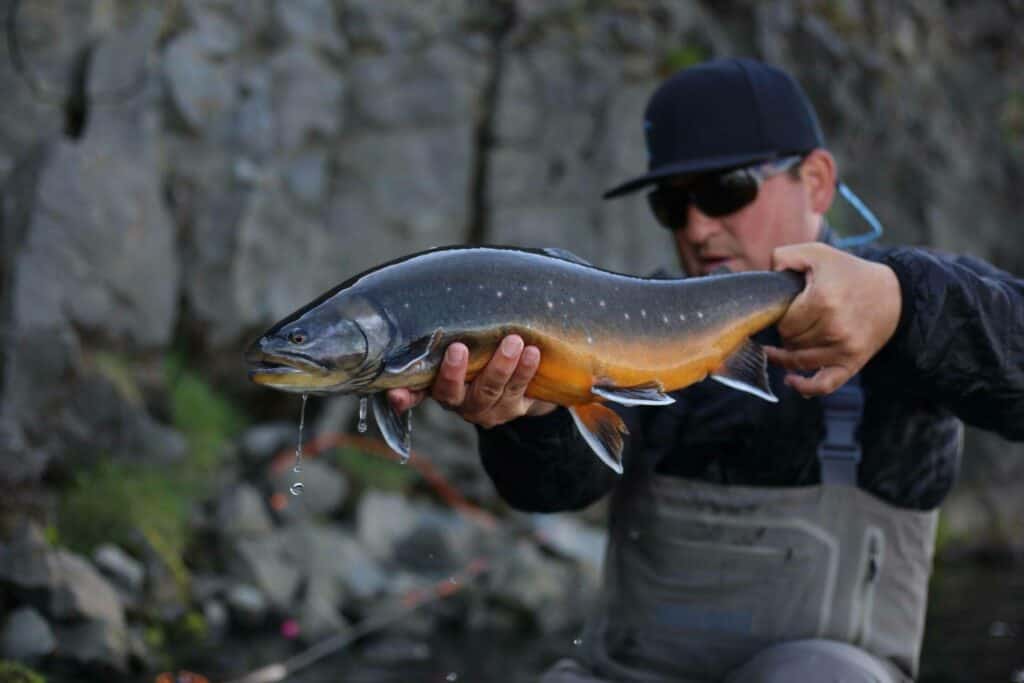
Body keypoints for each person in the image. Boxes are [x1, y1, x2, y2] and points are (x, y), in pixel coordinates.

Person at [387, 57, 1024, 682]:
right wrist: (529, 417)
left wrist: (903, 303)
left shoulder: (921, 304)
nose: (697, 227)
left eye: (727, 190)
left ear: (818, 182)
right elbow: (553, 491)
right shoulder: (629, 320)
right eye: (672, 204)